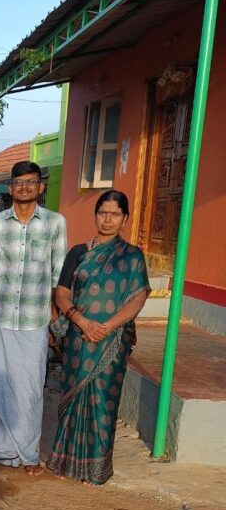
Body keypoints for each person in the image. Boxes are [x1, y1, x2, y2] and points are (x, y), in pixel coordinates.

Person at [47, 190, 150, 486]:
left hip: (111, 341)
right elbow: (62, 292)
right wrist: (81, 320)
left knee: (103, 401)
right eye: (103, 212)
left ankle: (94, 470)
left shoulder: (132, 257)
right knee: (74, 395)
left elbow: (138, 297)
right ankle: (65, 462)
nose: (107, 219)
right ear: (95, 215)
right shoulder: (78, 253)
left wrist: (105, 327)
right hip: (79, 339)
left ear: (125, 219)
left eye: (114, 214)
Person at [0, 160, 67, 475]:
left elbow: (58, 272)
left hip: (34, 319)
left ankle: (26, 454)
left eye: (31, 182)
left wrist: (54, 314)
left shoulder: (55, 223)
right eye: (18, 182)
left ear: (40, 187)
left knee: (29, 388)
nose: (24, 187)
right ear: (10, 188)